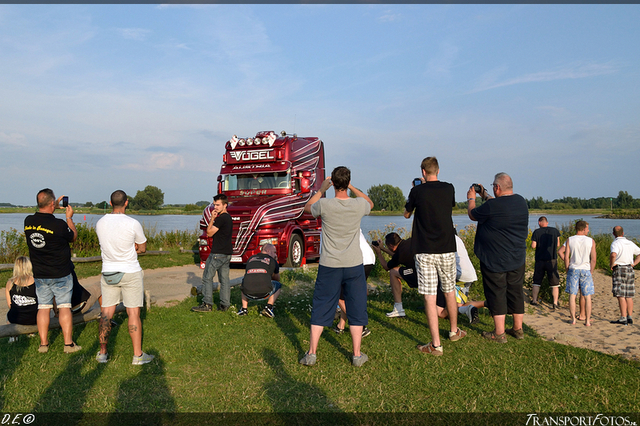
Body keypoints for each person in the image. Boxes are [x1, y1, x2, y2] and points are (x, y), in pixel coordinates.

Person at [299, 166, 373, 367]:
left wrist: (321, 190)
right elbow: (370, 203)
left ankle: (312, 353)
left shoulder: (324, 204)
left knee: (322, 304)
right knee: (356, 306)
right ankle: (357, 355)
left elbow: (307, 208)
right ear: (347, 183)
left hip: (329, 264)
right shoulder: (358, 205)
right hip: (353, 264)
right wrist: (353, 187)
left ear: (333, 184)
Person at [405, 157, 464, 356]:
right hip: (447, 247)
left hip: (424, 249)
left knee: (430, 297)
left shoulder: (416, 191)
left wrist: (414, 193)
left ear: (423, 172)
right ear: (438, 170)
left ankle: (436, 344)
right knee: (449, 291)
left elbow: (407, 214)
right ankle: (454, 331)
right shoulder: (449, 188)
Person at [467, 173, 528, 343]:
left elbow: (473, 214)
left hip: (495, 258)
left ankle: (499, 333)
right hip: (517, 256)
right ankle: (518, 329)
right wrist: (484, 194)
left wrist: (471, 198)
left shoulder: (493, 205)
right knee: (516, 291)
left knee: (497, 292)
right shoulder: (520, 201)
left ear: (497, 187)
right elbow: (496, 203)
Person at [95, 190, 153, 365]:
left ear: (110, 203)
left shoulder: (100, 223)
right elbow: (142, 248)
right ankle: (137, 355)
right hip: (130, 271)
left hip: (108, 272)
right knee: (133, 312)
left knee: (106, 313)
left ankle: (103, 353)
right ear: (126, 203)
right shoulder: (133, 223)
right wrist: (132, 248)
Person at [24, 188, 82, 354]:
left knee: (43, 307)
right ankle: (68, 344)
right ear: (52, 203)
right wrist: (69, 218)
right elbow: (73, 237)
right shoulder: (59, 225)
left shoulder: (28, 221)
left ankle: (43, 344)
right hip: (61, 273)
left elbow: (43, 216)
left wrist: (53, 205)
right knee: (64, 307)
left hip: (40, 273)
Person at [192, 194, 233, 312]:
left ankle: (207, 304)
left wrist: (212, 219)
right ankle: (225, 304)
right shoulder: (229, 218)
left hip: (217, 253)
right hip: (227, 253)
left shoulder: (221, 218)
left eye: (218, 205)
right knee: (224, 279)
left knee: (207, 278)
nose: (215, 207)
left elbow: (209, 233)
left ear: (225, 205)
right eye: (214, 205)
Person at [333, 230, 375, 337]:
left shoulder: (331, 226)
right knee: (348, 295)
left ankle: (360, 326)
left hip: (356, 260)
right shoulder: (352, 220)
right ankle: (341, 326)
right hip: (369, 258)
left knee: (337, 295)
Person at [435, 234, 483, 324]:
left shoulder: (442, 239)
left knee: (441, 313)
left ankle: (467, 309)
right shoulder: (456, 238)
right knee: (458, 305)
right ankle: (489, 304)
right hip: (468, 274)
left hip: (457, 275)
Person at [372, 232, 417, 318]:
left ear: (391, 245)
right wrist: (383, 249)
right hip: (428, 271)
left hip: (418, 274)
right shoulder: (409, 242)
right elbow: (397, 257)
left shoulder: (400, 254)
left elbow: (386, 267)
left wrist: (379, 253)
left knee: (393, 272)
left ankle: (398, 309)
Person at [563, 220, 596, 326]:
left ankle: (573, 319)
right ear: (584, 229)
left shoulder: (570, 240)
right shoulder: (591, 241)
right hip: (585, 269)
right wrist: (591, 270)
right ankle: (587, 320)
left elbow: (566, 257)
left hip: (574, 268)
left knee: (572, 295)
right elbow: (593, 258)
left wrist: (567, 268)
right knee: (587, 296)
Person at [236, 244, 282, 318]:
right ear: (268, 251)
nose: (275, 254)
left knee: (245, 282)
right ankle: (269, 307)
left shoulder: (251, 258)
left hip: (247, 293)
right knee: (278, 285)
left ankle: (244, 309)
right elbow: (277, 279)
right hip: (264, 293)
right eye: (274, 252)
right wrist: (275, 264)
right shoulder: (272, 261)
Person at [609, 226, 640, 326]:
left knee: (620, 294)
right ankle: (629, 316)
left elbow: (613, 254)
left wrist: (611, 264)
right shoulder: (630, 243)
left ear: (613, 234)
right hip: (629, 268)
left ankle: (623, 317)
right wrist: (634, 263)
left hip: (619, 268)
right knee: (629, 294)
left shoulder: (616, 243)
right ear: (623, 233)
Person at [530, 216, 561, 308]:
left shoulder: (536, 232)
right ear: (547, 222)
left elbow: (533, 246)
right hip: (552, 259)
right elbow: (558, 244)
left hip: (540, 259)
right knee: (555, 283)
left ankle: (534, 300)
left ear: (539, 222)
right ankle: (555, 302)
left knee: (537, 281)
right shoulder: (555, 231)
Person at [6, 256, 38, 326]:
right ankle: (31, 333)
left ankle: (13, 334)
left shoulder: (10, 283)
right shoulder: (36, 281)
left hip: (16, 318)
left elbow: (10, 305)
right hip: (34, 318)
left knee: (9, 316)